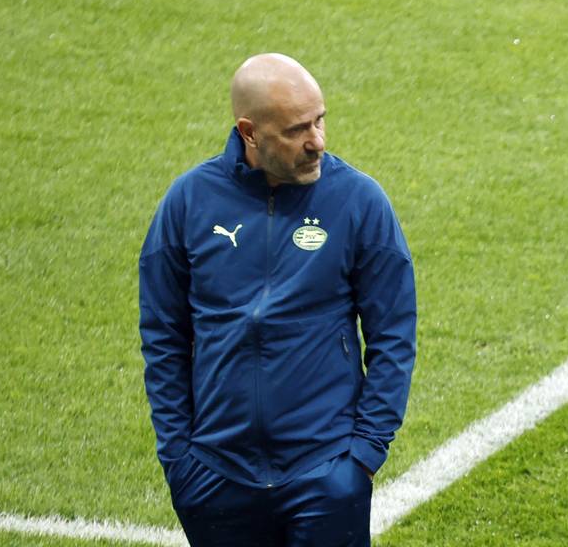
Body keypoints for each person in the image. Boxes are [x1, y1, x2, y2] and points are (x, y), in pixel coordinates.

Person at [140, 53, 417, 546]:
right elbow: (163, 337)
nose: (317, 141)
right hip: (215, 475)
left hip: (325, 472)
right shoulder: (187, 204)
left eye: (320, 120)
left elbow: (394, 334)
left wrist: (362, 457)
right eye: (295, 130)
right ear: (249, 131)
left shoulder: (359, 202)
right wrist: (179, 458)